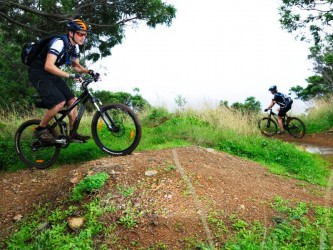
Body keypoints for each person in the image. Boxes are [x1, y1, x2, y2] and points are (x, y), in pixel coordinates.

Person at [28, 19, 94, 143]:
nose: (83, 37)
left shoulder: (74, 47)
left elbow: (76, 66)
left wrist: (90, 71)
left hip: (51, 73)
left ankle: (73, 133)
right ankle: (40, 130)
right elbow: (48, 65)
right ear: (71, 33)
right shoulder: (58, 43)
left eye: (85, 34)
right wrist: (69, 76)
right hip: (38, 72)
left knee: (72, 101)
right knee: (59, 103)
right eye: (80, 34)